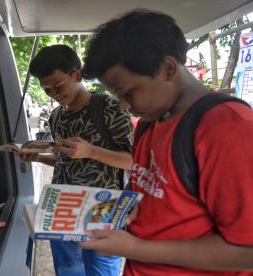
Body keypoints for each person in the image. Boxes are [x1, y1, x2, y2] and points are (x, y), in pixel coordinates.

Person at [79, 9, 253, 275]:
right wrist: (127, 209)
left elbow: (246, 253)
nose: (124, 106)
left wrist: (134, 248)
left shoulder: (226, 129)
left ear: (168, 68)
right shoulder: (151, 121)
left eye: (127, 93)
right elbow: (161, 198)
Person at [20, 44, 134, 276]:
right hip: (63, 210)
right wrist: (39, 158)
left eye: (58, 85)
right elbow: (66, 161)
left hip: (102, 210)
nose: (54, 94)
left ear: (77, 74)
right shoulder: (56, 117)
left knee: (101, 271)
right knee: (68, 270)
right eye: (47, 90)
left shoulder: (109, 107)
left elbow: (134, 161)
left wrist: (91, 151)